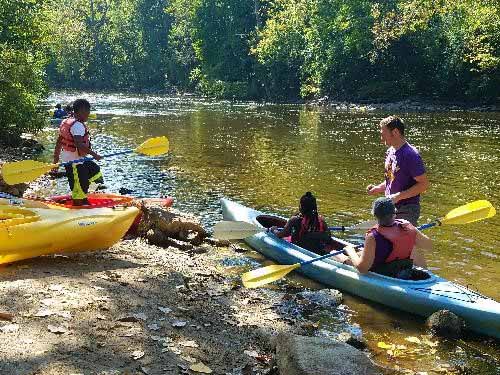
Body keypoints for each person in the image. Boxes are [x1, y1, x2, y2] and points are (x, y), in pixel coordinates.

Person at [334, 197, 432, 278]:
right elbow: (429, 246)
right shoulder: (407, 226)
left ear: (375, 215)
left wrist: (350, 251)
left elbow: (362, 269)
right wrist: (413, 229)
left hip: (383, 272)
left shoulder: (373, 235)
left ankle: (336, 254)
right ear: (395, 212)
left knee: (335, 254)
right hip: (403, 269)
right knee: (360, 252)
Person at [366, 116, 429, 225]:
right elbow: (392, 179)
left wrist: (398, 197)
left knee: (398, 240)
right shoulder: (390, 151)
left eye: (383, 134)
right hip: (390, 208)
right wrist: (378, 188)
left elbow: (423, 185)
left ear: (395, 132)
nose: (382, 139)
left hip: (407, 210)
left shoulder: (411, 155)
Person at [53, 99, 104, 206]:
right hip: (74, 162)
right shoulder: (77, 126)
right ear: (81, 112)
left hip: (77, 160)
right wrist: (95, 155)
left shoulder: (67, 122)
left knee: (95, 171)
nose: (88, 115)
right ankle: (78, 206)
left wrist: (56, 161)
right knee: (78, 187)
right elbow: (79, 144)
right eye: (88, 112)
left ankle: (83, 197)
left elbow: (59, 143)